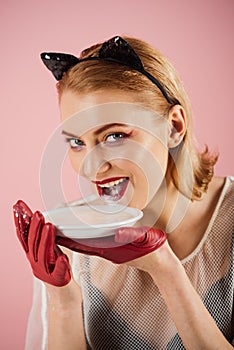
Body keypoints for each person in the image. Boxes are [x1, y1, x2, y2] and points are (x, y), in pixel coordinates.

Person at [13, 36, 233, 349]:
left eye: (115, 136)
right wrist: (61, 297)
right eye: (77, 143)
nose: (92, 168)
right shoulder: (74, 237)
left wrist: (165, 269)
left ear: (173, 127)